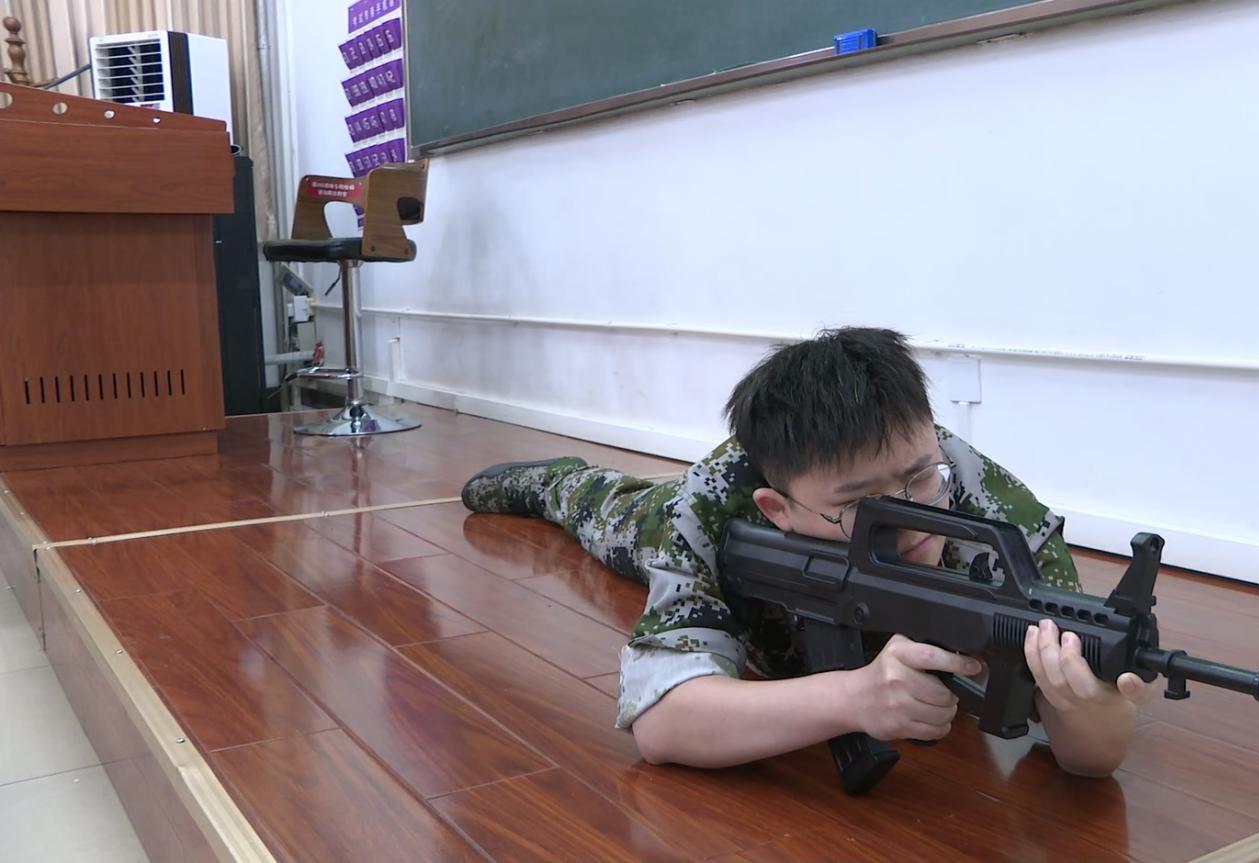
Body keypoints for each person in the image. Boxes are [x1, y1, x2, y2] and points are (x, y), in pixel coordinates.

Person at [461, 327, 1155, 777]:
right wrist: (851, 698)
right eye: (860, 506)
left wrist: (1089, 710)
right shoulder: (717, 502)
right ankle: (556, 480)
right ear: (780, 508)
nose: (913, 521)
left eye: (920, 479)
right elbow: (662, 723)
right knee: (610, 518)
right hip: (663, 512)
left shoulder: (988, 503)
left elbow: (1091, 756)